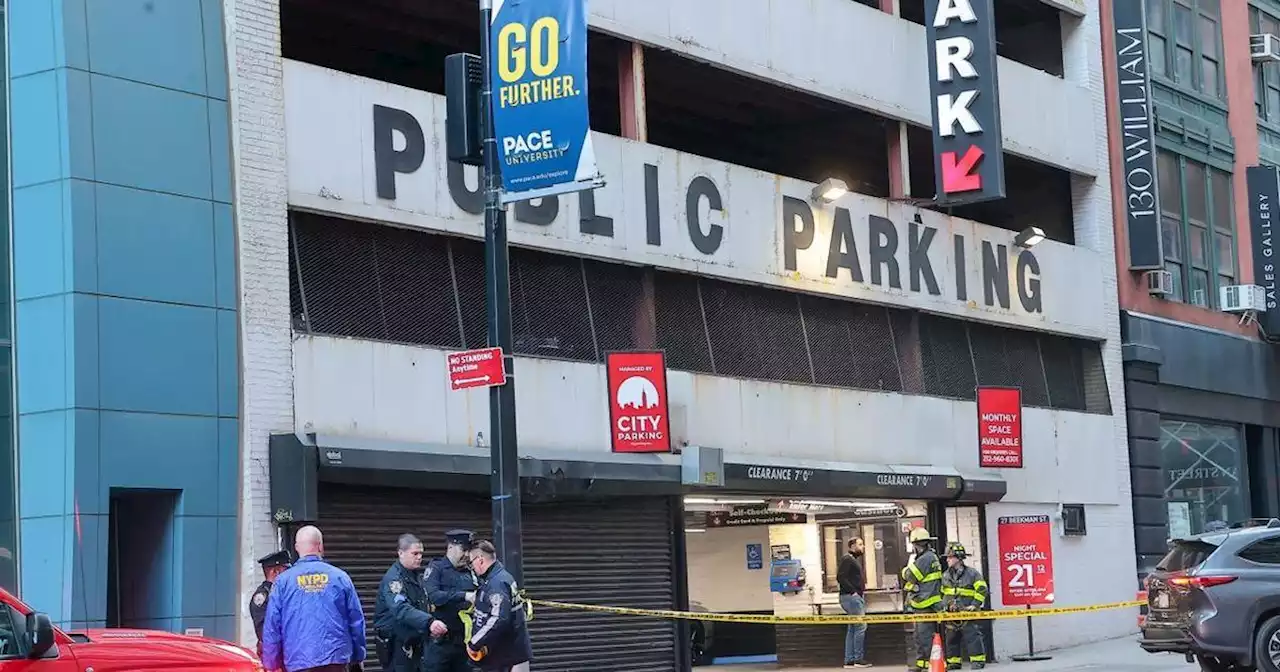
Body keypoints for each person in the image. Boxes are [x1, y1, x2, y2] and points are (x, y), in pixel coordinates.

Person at [261, 525, 367, 672]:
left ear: (297, 547)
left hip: (298, 662)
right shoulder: (340, 577)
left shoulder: (283, 582)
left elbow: (272, 626)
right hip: (335, 660)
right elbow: (356, 621)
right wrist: (358, 656)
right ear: (321, 546)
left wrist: (271, 664)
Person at [374, 533, 448, 672]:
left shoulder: (415, 576)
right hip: (397, 646)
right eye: (415, 553)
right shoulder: (394, 579)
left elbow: (421, 605)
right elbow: (400, 608)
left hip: (415, 645)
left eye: (421, 553)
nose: (419, 557)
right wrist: (429, 622)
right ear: (401, 553)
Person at [465, 540, 532, 672]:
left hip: (507, 658)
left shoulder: (497, 583)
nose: (472, 568)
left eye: (471, 563)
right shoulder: (497, 577)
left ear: (480, 560)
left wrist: (474, 643)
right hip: (504, 655)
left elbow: (498, 618)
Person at [424, 529, 480, 672]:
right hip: (441, 644)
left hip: (464, 643)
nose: (467, 555)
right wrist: (464, 595)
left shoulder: (470, 572)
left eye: (469, 550)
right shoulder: (436, 568)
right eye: (463, 550)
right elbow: (434, 596)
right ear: (450, 547)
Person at [900, 527, 943, 672]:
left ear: (916, 544)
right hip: (926, 602)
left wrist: (905, 569)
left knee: (924, 636)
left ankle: (928, 665)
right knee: (919, 635)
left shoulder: (925, 559)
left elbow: (910, 576)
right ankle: (922, 664)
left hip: (925, 602)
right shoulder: (930, 556)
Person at [940, 542, 987, 671]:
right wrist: (944, 606)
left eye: (950, 557)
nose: (947, 560)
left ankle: (978, 661)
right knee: (951, 639)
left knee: (972, 637)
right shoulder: (945, 575)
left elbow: (982, 589)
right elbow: (942, 593)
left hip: (967, 612)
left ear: (958, 558)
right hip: (951, 614)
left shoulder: (972, 574)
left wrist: (974, 605)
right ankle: (954, 662)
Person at [250, 550, 293, 657]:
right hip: (274, 655)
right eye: (286, 570)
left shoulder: (284, 592)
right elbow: (264, 632)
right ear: (275, 572)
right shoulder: (262, 596)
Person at [837, 537, 871, 669]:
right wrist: (853, 592)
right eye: (860, 544)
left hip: (850, 598)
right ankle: (858, 659)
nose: (863, 547)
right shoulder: (847, 559)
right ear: (852, 546)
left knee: (853, 628)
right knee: (861, 627)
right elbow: (840, 577)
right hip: (851, 598)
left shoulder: (851, 560)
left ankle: (849, 660)